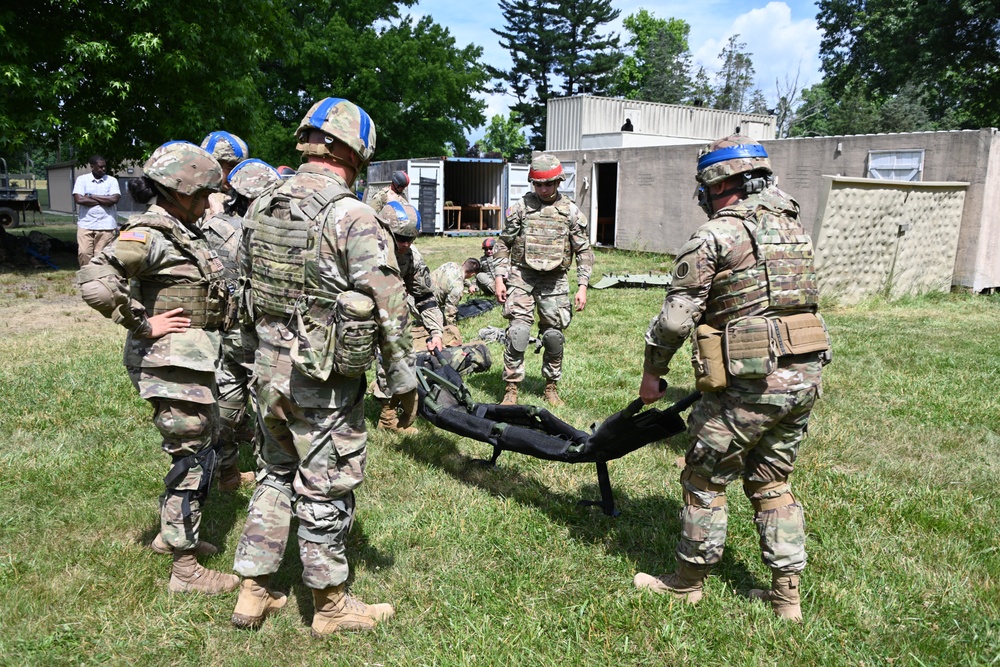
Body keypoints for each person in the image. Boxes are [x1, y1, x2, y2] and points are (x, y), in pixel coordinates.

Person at [230, 96, 417, 635]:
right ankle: (331, 606)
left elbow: (243, 286)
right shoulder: (351, 214)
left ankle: (253, 592)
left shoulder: (260, 204)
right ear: (355, 150)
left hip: (266, 372)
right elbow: (389, 303)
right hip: (322, 381)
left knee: (272, 474)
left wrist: (250, 358)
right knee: (324, 485)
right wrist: (401, 381)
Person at [632, 135, 831, 622]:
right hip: (803, 377)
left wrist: (653, 372)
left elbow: (677, 320)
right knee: (772, 482)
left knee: (704, 479)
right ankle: (787, 598)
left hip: (749, 382)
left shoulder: (716, 235)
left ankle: (687, 583)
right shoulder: (794, 228)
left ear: (720, 185)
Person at [76, 141, 239, 595]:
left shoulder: (179, 229)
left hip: (188, 362)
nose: (210, 202)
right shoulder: (149, 234)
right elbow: (95, 281)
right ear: (181, 189)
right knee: (191, 457)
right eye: (204, 193)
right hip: (170, 364)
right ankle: (185, 571)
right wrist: (143, 322)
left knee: (195, 448)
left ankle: (170, 539)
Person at [199, 158, 282, 491]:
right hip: (262, 339)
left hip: (225, 334)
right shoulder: (271, 234)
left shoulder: (212, 228)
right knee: (270, 411)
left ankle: (228, 473)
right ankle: (270, 477)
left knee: (228, 405)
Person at [493, 153, 594, 407]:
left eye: (548, 184)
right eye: (538, 184)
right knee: (518, 332)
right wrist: (499, 278)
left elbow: (583, 250)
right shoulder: (520, 209)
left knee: (553, 337)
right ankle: (511, 388)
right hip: (522, 275)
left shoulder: (569, 212)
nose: (543, 189)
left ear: (558, 182)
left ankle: (550, 387)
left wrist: (582, 286)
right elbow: (503, 244)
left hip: (555, 279)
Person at [372, 200, 445, 433]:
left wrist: (436, 331)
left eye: (411, 239)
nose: (405, 244)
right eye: (400, 238)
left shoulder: (411, 257)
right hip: (356, 317)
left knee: (395, 354)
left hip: (389, 318)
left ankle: (387, 416)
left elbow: (425, 298)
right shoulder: (363, 249)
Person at [73, 155, 121, 267]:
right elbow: (79, 199)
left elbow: (114, 199)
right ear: (92, 166)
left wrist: (91, 196)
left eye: (104, 167)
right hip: (86, 223)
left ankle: (98, 279)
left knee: (101, 255)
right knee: (84, 253)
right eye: (100, 167)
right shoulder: (82, 180)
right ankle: (86, 277)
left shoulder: (111, 180)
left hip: (106, 225)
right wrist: (105, 199)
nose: (103, 169)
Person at [431, 258, 480, 345]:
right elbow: (449, 311)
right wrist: (451, 328)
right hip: (424, 306)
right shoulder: (457, 288)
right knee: (437, 328)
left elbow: (459, 275)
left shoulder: (451, 264)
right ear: (472, 274)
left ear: (463, 262)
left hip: (413, 295)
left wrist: (469, 285)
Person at [199, 131, 249, 216]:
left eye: (239, 168)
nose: (235, 174)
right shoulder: (195, 200)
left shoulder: (243, 199)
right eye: (230, 168)